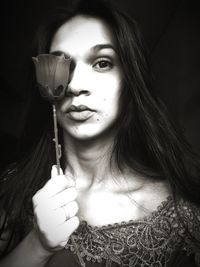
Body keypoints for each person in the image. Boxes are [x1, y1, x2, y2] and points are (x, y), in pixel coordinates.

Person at [0, 0, 200, 266]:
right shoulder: (13, 189)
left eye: (102, 63)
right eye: (62, 64)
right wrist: (37, 244)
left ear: (130, 81)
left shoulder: (180, 215)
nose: (76, 86)